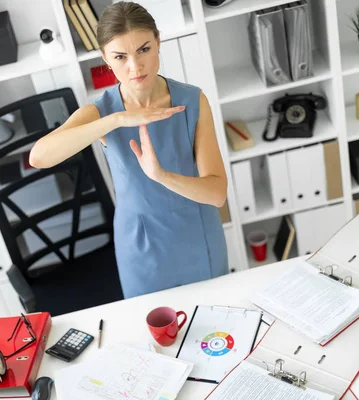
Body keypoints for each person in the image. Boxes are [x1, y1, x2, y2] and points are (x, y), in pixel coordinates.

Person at [29, 1, 229, 298]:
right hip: (140, 245)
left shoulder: (193, 101)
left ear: (158, 41)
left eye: (144, 49)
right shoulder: (101, 112)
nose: (135, 67)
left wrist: (161, 176)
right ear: (105, 59)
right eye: (120, 56)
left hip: (197, 232)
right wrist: (118, 119)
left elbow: (217, 194)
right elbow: (39, 157)